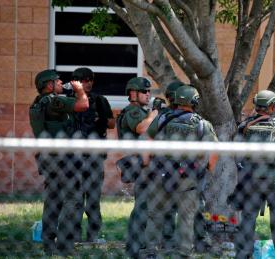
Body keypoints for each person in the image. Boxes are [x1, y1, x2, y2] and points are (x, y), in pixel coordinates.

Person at [144, 85, 218, 258]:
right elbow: (215, 149)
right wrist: (209, 168)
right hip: (188, 175)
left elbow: (147, 138)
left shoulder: (163, 118)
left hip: (161, 173)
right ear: (194, 101)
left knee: (155, 213)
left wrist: (146, 162)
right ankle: (184, 251)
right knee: (186, 216)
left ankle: (150, 250)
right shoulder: (201, 123)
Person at [29, 69, 89, 255]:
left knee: (53, 201)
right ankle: (65, 244)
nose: (61, 82)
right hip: (64, 159)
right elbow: (83, 105)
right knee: (73, 200)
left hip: (49, 158)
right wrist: (79, 90)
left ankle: (49, 243)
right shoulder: (54, 101)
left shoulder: (38, 103)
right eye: (57, 81)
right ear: (49, 85)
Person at [231, 90, 275, 259]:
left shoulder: (244, 127)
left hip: (250, 180)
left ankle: (243, 254)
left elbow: (236, 154)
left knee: (247, 219)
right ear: (272, 106)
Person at [70, 67, 115, 243]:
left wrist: (101, 119)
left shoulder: (100, 100)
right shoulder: (68, 101)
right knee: (75, 200)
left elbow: (112, 124)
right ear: (76, 82)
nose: (88, 83)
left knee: (93, 200)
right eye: (84, 80)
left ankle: (93, 236)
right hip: (74, 158)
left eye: (90, 79)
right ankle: (73, 236)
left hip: (95, 157)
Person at [117, 76, 158, 258]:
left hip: (145, 163)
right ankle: (136, 247)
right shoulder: (133, 111)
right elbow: (142, 128)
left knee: (146, 205)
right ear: (133, 93)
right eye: (144, 91)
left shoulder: (141, 111)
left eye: (149, 91)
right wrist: (155, 113)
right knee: (143, 206)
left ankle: (139, 245)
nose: (147, 94)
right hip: (140, 164)